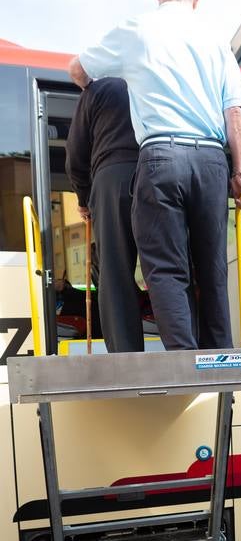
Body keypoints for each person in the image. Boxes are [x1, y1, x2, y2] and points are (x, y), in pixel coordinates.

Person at [68, 0, 241, 350]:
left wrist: (104, 86)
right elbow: (235, 112)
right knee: (211, 268)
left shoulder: (137, 30)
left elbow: (78, 70)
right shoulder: (215, 41)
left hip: (162, 157)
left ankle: (184, 360)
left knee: (165, 269)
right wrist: (239, 172)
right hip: (211, 162)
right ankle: (218, 354)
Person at [66, 77, 143, 353]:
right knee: (166, 269)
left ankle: (126, 356)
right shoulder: (151, 81)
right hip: (156, 170)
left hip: (111, 178)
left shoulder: (96, 89)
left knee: (114, 271)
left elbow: (75, 153)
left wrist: (84, 199)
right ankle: (183, 349)